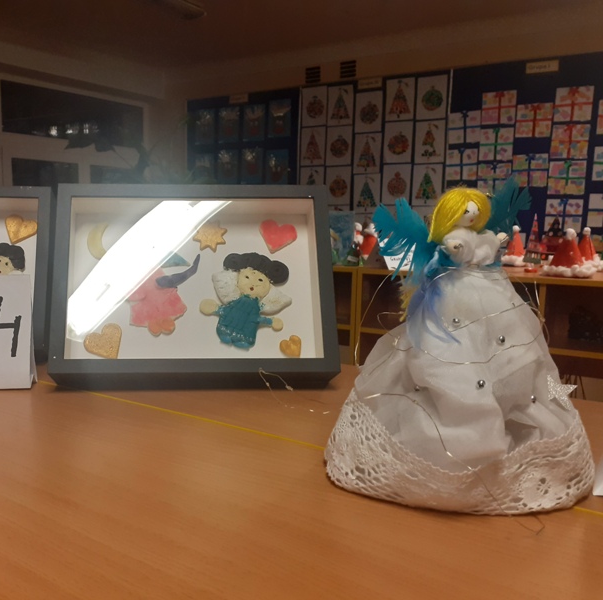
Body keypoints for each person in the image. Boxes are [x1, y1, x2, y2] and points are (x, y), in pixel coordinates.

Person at [325, 186, 595, 514]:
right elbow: (454, 249)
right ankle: (451, 440)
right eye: (467, 211)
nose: (472, 215)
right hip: (454, 298)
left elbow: (488, 247)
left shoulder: (479, 238)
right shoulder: (454, 239)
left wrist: (494, 242)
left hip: (492, 295)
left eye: (475, 210)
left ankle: (502, 431)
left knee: (505, 355)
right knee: (441, 355)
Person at [199, 252, 290, 349]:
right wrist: (216, 308)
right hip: (227, 325)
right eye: (247, 277)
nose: (253, 284)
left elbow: (256, 319)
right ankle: (225, 333)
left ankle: (243, 340)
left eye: (260, 280)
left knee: (249, 325)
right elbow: (227, 310)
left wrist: (270, 321)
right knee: (231, 317)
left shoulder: (257, 307)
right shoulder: (235, 300)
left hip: (246, 333)